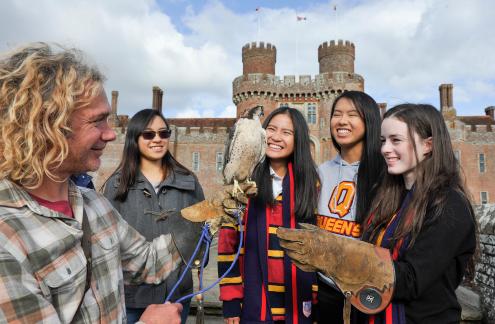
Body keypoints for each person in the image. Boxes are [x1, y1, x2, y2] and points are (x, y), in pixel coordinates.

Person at [0, 43, 183, 323]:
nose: (111, 135)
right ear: (47, 126)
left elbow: (149, 263)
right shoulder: (7, 237)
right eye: (97, 122)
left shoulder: (95, 205)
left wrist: (207, 216)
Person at [277, 104, 477, 324]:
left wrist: (333, 254)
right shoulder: (389, 196)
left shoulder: (450, 204)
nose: (385, 149)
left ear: (427, 145)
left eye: (396, 140)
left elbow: (411, 280)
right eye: (383, 141)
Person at [218, 107, 320, 324]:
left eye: (286, 132)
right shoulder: (243, 187)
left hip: (301, 305)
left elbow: (317, 252)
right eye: (271, 129)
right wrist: (231, 303)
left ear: (299, 140)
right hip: (255, 303)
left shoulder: (312, 187)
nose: (275, 137)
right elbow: (228, 246)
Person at [103, 109, 205, 324]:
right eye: (149, 134)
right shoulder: (115, 186)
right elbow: (107, 242)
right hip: (132, 296)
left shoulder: (189, 182)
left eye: (163, 133)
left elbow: (202, 231)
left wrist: (196, 264)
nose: (157, 139)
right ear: (135, 139)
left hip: (177, 292)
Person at [315, 91, 385, 323]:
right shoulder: (321, 172)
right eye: (337, 114)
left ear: (370, 121)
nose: (342, 121)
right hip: (325, 287)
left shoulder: (385, 174)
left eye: (352, 115)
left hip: (369, 291)